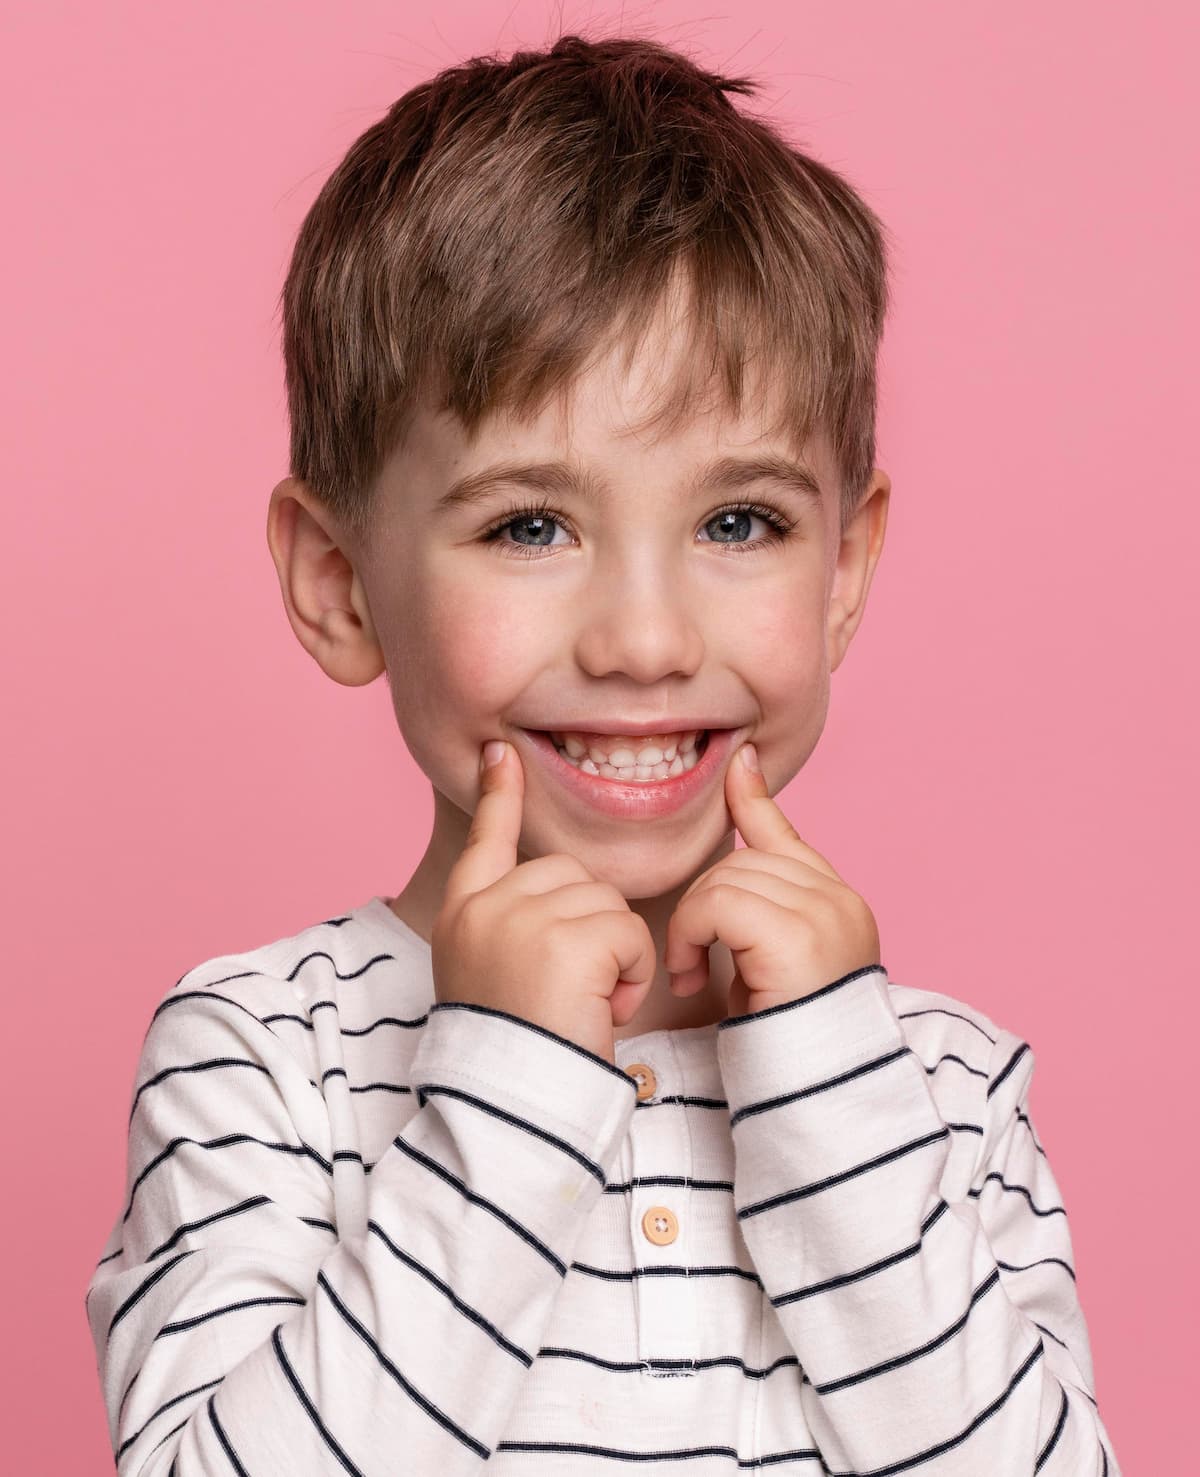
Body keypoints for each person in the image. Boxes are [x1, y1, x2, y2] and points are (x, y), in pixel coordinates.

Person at [84, 31, 1122, 1474]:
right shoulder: (268, 1058)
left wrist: (828, 1081)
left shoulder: (936, 1087)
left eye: (741, 521)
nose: (644, 638)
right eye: (530, 524)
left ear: (844, 570)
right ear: (338, 581)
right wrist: (506, 1084)